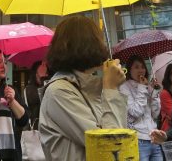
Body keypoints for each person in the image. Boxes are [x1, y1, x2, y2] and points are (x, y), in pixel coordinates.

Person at [39, 16, 127, 161]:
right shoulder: (60, 91)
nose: (103, 46)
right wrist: (110, 88)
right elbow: (109, 145)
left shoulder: (89, 87)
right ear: (88, 44)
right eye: (99, 40)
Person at [120, 55, 163, 161]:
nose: (141, 70)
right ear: (129, 70)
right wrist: (141, 88)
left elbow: (155, 113)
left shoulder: (146, 86)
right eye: (136, 67)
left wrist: (155, 92)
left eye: (143, 67)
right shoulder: (124, 87)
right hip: (138, 140)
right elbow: (135, 112)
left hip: (154, 138)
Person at [24, 60, 49, 129]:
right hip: (36, 128)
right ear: (35, 74)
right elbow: (41, 98)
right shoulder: (29, 89)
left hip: (49, 128)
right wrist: (43, 78)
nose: (46, 75)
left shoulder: (49, 86)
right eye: (42, 72)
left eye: (47, 73)